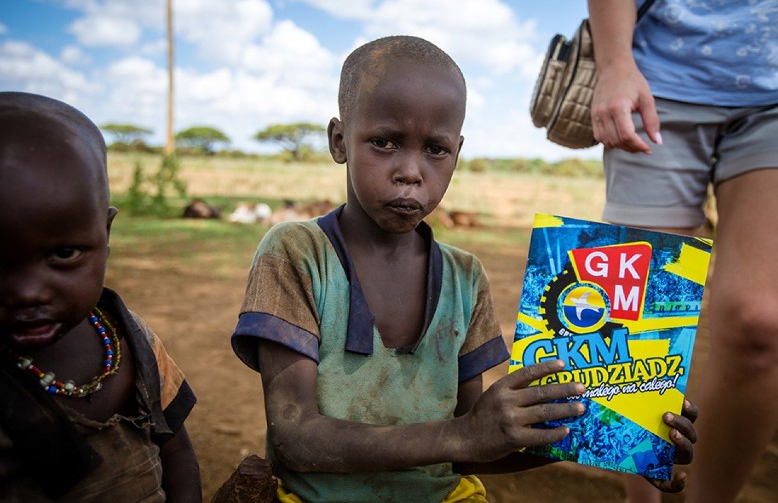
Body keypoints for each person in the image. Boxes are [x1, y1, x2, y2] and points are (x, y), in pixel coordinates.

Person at [231, 35, 696, 502]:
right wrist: (465, 434)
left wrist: (618, 439)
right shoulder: (296, 252)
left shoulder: (463, 276)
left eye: (436, 149)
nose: (410, 170)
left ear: (457, 151)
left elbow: (475, 447)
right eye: (384, 142)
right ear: (339, 141)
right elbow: (296, 438)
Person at [586, 0, 778, 501]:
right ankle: (641, 497)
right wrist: (614, 64)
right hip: (656, 86)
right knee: (635, 327)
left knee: (762, 322)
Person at [0, 92, 202, 502]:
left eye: (63, 254)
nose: (28, 292)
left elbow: (178, 454)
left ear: (106, 233)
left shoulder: (132, 337)